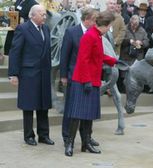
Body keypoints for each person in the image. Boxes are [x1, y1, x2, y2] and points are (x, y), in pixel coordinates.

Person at [65, 11, 122, 157]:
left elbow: (99, 55)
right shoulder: (89, 36)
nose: (109, 29)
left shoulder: (97, 36)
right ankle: (69, 143)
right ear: (106, 25)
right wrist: (86, 81)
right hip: (83, 81)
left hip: (93, 80)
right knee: (76, 114)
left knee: (89, 114)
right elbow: (82, 60)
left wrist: (114, 61)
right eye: (109, 26)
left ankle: (86, 143)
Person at [8, 5, 54, 146]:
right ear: (32, 15)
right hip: (29, 73)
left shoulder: (45, 28)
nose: (44, 17)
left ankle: (43, 135)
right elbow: (15, 52)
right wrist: (13, 74)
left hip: (44, 72)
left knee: (43, 105)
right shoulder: (23, 29)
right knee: (29, 106)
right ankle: (29, 135)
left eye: (45, 15)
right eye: (42, 14)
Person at [60, 8, 99, 147]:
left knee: (87, 108)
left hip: (89, 77)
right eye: (95, 20)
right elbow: (64, 55)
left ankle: (86, 137)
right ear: (87, 19)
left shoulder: (95, 34)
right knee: (72, 108)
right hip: (74, 76)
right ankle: (67, 136)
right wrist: (63, 75)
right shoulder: (72, 32)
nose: (96, 23)